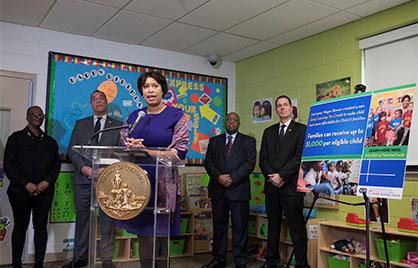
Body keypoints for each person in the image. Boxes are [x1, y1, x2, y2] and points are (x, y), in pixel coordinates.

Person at [116, 71, 189, 268]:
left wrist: (146, 150)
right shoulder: (135, 116)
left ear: (162, 89)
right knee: (143, 234)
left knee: (160, 235)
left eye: (155, 86)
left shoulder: (176, 115)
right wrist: (131, 146)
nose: (150, 90)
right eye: (146, 86)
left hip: (164, 185)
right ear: (141, 91)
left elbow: (179, 153)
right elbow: (123, 144)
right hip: (138, 183)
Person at [64, 90, 123, 268]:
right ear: (91, 104)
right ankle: (80, 257)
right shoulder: (80, 124)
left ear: (107, 102)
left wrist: (106, 169)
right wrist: (85, 168)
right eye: (94, 99)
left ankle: (106, 259)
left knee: (108, 220)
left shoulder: (118, 126)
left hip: (108, 181)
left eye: (101, 98)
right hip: (84, 179)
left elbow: (121, 153)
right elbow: (72, 150)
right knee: (83, 219)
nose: (98, 101)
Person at [4, 106, 61, 268]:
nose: (37, 117)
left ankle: (38, 264)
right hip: (20, 192)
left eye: (40, 115)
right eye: (34, 114)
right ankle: (16, 264)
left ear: (43, 118)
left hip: (44, 192)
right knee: (20, 226)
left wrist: (46, 183)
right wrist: (26, 184)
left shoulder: (50, 142)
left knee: (40, 227)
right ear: (27, 117)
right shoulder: (15, 139)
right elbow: (9, 165)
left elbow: (55, 167)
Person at [259, 95, 308, 268]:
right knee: (273, 226)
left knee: (297, 228)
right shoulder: (269, 131)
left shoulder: (302, 130)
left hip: (291, 187)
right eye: (279, 106)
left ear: (291, 108)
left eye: (285, 105)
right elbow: (263, 159)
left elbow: (298, 157)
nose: (282, 108)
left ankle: (302, 264)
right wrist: (273, 176)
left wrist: (282, 176)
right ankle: (271, 261)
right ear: (276, 109)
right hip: (272, 187)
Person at [203, 112, 256, 268]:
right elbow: (209, 163)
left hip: (238, 189)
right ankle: (219, 259)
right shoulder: (214, 141)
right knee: (219, 226)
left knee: (240, 226)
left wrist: (231, 178)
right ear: (225, 123)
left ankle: (240, 261)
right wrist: (219, 177)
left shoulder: (248, 141)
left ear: (239, 123)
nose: (231, 122)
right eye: (228, 120)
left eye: (234, 120)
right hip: (218, 190)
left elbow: (250, 163)